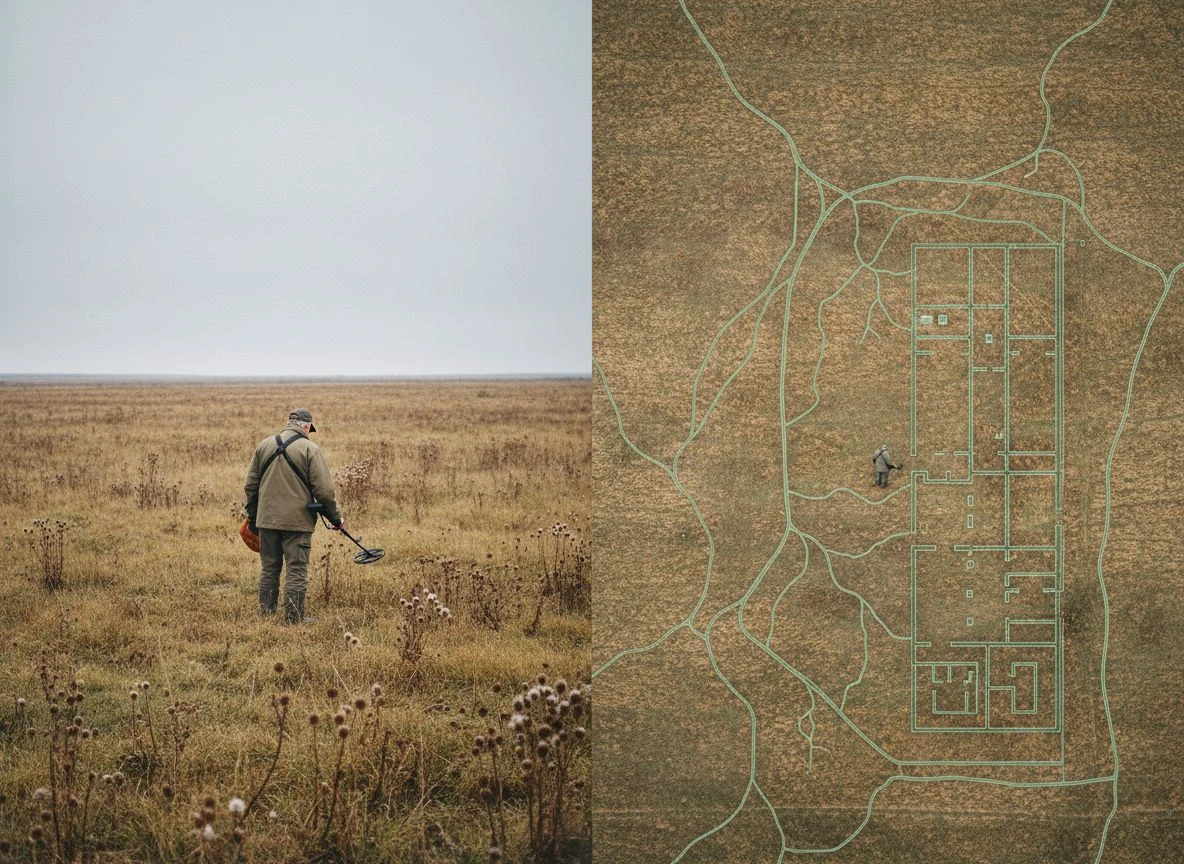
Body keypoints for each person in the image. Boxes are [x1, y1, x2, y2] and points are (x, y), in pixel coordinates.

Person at [243, 408, 345, 623]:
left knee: (269, 567)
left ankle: (266, 615)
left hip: (266, 520)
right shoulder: (310, 449)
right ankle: (293, 618)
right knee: (296, 569)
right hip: (298, 523)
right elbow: (324, 491)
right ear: (306, 426)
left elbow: (250, 486)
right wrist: (335, 518)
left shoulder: (264, 445)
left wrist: (254, 517)